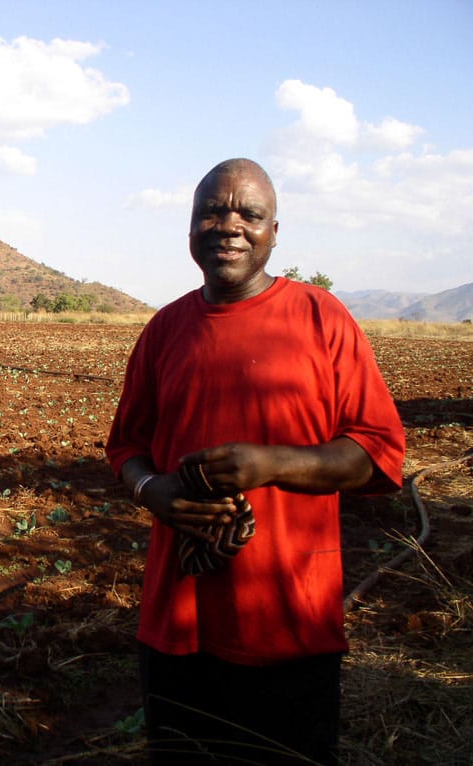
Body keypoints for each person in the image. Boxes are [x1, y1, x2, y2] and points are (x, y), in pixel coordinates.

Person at [106, 158, 405, 764]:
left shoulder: (322, 318)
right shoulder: (165, 330)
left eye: (250, 213)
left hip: (288, 619)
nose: (228, 225)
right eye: (211, 211)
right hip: (178, 621)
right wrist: (150, 491)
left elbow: (377, 454)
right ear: (190, 229)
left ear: (274, 231)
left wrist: (270, 464)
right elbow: (126, 448)